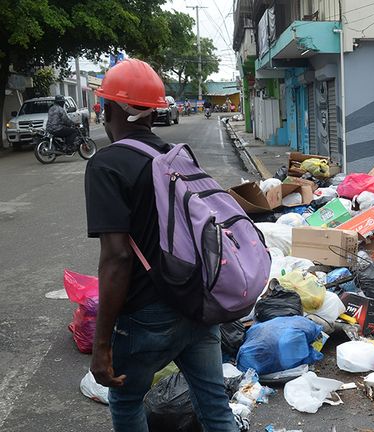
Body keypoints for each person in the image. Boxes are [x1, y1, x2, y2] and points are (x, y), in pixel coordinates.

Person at [85, 58, 240, 432]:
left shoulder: (106, 165)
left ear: (111, 110)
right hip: (195, 303)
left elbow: (118, 257)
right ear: (154, 113)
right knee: (214, 406)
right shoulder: (176, 155)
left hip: (147, 315)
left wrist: (102, 344)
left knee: (126, 400)